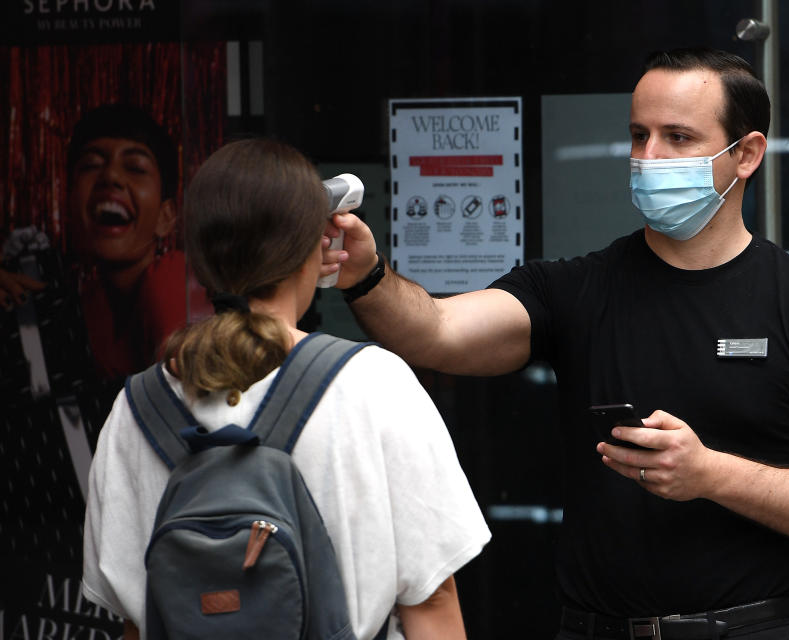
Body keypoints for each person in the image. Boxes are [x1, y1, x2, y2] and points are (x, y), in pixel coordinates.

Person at [320, 48, 789, 639]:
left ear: (746, 154)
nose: (649, 158)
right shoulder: (577, 288)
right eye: (638, 135)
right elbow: (436, 332)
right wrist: (367, 274)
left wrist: (711, 474)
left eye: (677, 137)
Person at [81, 138, 491, 640]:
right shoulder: (374, 384)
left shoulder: (136, 409)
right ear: (316, 246)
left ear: (200, 256)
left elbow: (135, 622)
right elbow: (433, 604)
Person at [1, 103, 191, 379]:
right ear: (69, 204)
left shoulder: (174, 283)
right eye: (91, 165)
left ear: (166, 217)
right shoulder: (73, 306)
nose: (111, 177)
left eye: (136, 168)